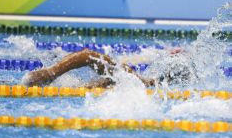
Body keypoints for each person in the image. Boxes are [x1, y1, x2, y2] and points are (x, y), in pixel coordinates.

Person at [24, 48, 185, 88]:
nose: (173, 52)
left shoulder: (143, 82)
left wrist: (51, 73)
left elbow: (86, 56)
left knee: (87, 56)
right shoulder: (140, 82)